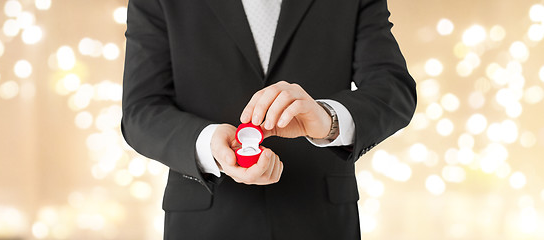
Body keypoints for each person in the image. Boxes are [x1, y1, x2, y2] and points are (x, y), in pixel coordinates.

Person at [121, 0, 416, 239]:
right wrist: (209, 145)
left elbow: (393, 88)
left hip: (320, 222)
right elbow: (141, 109)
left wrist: (328, 119)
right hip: (205, 223)